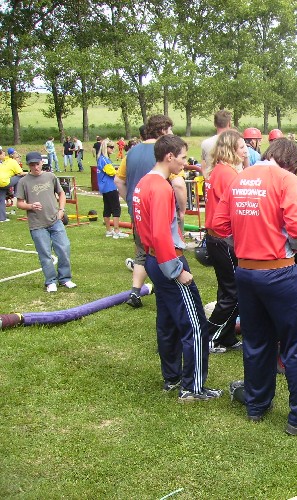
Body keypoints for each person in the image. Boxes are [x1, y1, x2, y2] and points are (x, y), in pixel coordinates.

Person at [213, 137, 297, 435]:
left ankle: (257, 404)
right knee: (296, 345)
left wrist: (243, 243)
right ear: (292, 164)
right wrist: (291, 246)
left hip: (246, 273)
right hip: (279, 273)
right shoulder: (286, 179)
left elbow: (218, 224)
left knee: (256, 341)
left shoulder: (239, 178)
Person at [133, 135, 221, 401]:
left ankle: (171, 378)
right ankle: (192, 388)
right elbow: (160, 234)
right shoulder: (160, 188)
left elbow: (145, 229)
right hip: (167, 261)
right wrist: (177, 270)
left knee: (168, 321)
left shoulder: (143, 183)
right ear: (169, 156)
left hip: (152, 259)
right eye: (182, 157)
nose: (185, 163)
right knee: (195, 325)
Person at [115, 114, 174, 308]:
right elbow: (177, 182)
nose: (172, 133)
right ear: (162, 130)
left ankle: (135, 292)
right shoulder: (165, 152)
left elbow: (118, 180)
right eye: (170, 129)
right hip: (160, 210)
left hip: (138, 211)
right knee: (164, 249)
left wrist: (131, 200)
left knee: (142, 252)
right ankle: (166, 289)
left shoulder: (131, 152)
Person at [204, 130, 246, 354]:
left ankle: (226, 336)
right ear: (231, 149)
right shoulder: (228, 174)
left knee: (227, 290)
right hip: (223, 239)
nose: (246, 150)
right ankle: (210, 337)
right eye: (241, 147)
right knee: (234, 293)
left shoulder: (218, 170)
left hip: (216, 238)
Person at [15, 151, 76, 292]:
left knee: (64, 248)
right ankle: (51, 281)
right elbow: (19, 203)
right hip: (37, 224)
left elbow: (61, 193)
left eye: (37, 164)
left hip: (55, 220)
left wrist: (61, 210)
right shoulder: (23, 182)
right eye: (32, 165)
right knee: (45, 254)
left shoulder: (50, 176)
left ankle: (65, 278)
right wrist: (30, 206)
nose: (35, 167)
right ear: (28, 165)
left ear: (42, 162)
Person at [97, 139, 127, 239]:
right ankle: (116, 230)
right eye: (111, 147)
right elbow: (111, 172)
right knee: (116, 208)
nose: (113, 149)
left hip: (104, 187)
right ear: (106, 148)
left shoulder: (100, 159)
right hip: (110, 187)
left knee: (107, 208)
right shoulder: (105, 160)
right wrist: (120, 172)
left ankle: (109, 230)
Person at [200, 109, 233, 174]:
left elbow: (203, 165)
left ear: (215, 124)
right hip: (234, 178)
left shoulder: (205, 143)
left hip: (212, 177)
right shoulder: (238, 141)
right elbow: (246, 164)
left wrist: (207, 178)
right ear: (229, 123)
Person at [0, 146, 27, 222]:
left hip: (1, 183)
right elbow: (21, 173)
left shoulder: (5, 161)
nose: (19, 159)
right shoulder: (13, 162)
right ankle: (16, 194)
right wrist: (30, 173)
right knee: (19, 177)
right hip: (4, 182)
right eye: (18, 157)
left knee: (1, 199)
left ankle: (2, 218)